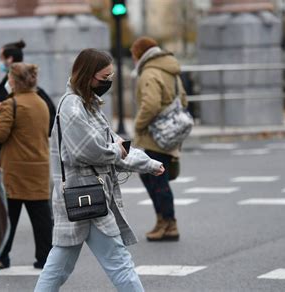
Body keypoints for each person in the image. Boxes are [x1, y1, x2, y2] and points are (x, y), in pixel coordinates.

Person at [34, 48, 165, 292]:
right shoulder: (73, 107)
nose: (108, 82)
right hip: (87, 195)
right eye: (104, 77)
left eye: (110, 76)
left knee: (59, 266)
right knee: (119, 263)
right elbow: (91, 151)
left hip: (83, 195)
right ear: (87, 75)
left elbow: (114, 144)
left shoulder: (88, 105)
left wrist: (149, 164)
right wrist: (117, 150)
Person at [0, 62, 53, 269]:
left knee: (8, 219)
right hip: (39, 167)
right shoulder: (41, 103)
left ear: (13, 81)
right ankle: (46, 258)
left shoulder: (11, 104)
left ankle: (2, 257)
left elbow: (0, 134)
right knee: (41, 218)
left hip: (15, 170)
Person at [130, 36, 189, 241]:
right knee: (156, 178)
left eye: (133, 55)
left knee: (156, 179)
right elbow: (183, 99)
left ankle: (168, 223)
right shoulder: (170, 70)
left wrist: (138, 125)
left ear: (139, 54)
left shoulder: (149, 73)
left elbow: (151, 105)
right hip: (169, 132)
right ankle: (164, 222)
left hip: (154, 135)